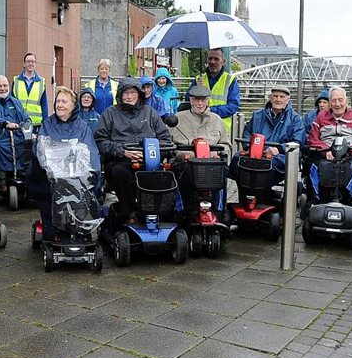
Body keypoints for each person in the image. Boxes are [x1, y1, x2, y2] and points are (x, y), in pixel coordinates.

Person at [94, 77, 172, 225]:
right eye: (125, 93)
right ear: (120, 96)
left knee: (166, 174)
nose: (129, 97)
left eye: (132, 93)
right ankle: (127, 212)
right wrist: (123, 151)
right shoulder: (110, 113)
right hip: (121, 160)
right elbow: (100, 141)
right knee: (119, 173)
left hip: (149, 161)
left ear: (139, 94)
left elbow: (165, 140)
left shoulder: (150, 113)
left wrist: (149, 154)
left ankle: (156, 212)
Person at [28, 87, 101, 240]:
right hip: (51, 177)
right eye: (58, 101)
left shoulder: (82, 127)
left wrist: (91, 172)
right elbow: (41, 149)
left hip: (76, 176)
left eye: (64, 102)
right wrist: (52, 167)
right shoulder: (48, 124)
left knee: (84, 187)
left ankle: (79, 229)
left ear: (73, 106)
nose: (59, 105)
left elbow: (91, 151)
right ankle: (52, 231)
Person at [229, 85, 306, 194]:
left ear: (288, 100)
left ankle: (262, 195)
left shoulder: (295, 119)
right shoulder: (257, 115)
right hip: (255, 153)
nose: (278, 99)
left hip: (279, 156)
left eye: (282, 97)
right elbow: (247, 133)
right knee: (237, 159)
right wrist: (249, 148)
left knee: (268, 167)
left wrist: (279, 149)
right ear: (270, 98)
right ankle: (245, 195)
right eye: (275, 96)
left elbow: (297, 141)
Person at [307, 86, 352, 202]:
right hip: (326, 155)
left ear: (346, 100)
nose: (337, 104)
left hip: (350, 156)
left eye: (340, 100)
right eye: (333, 100)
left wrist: (350, 152)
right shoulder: (321, 117)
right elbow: (312, 139)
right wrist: (325, 151)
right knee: (312, 168)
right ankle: (315, 200)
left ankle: (351, 200)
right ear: (330, 102)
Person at [169, 85, 232, 209]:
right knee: (184, 171)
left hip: (211, 162)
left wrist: (218, 152)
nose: (200, 103)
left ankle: (218, 210)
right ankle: (185, 210)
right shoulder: (179, 119)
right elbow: (171, 147)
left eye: (203, 100)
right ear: (191, 100)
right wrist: (182, 155)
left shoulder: (217, 120)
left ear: (208, 100)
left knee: (222, 171)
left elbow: (226, 145)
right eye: (196, 99)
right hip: (187, 163)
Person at [0, 75, 32, 195]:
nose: (2, 88)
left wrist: (28, 131)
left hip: (16, 134)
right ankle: (0, 183)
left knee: (28, 146)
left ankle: (25, 179)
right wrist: (5, 123)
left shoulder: (15, 102)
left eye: (5, 85)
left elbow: (26, 118)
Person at [188, 48, 240, 135]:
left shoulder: (230, 80)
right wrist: (196, 89)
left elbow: (233, 106)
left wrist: (209, 110)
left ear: (223, 61)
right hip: (199, 128)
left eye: (216, 59)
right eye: (210, 58)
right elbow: (188, 100)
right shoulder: (198, 79)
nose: (212, 62)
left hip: (220, 131)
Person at [12, 52, 47, 128]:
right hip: (19, 122)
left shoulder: (41, 82)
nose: (30, 64)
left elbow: (44, 104)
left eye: (33, 61)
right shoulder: (16, 81)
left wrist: (45, 123)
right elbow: (11, 103)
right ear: (24, 64)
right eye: (28, 61)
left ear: (35, 64)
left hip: (36, 123)